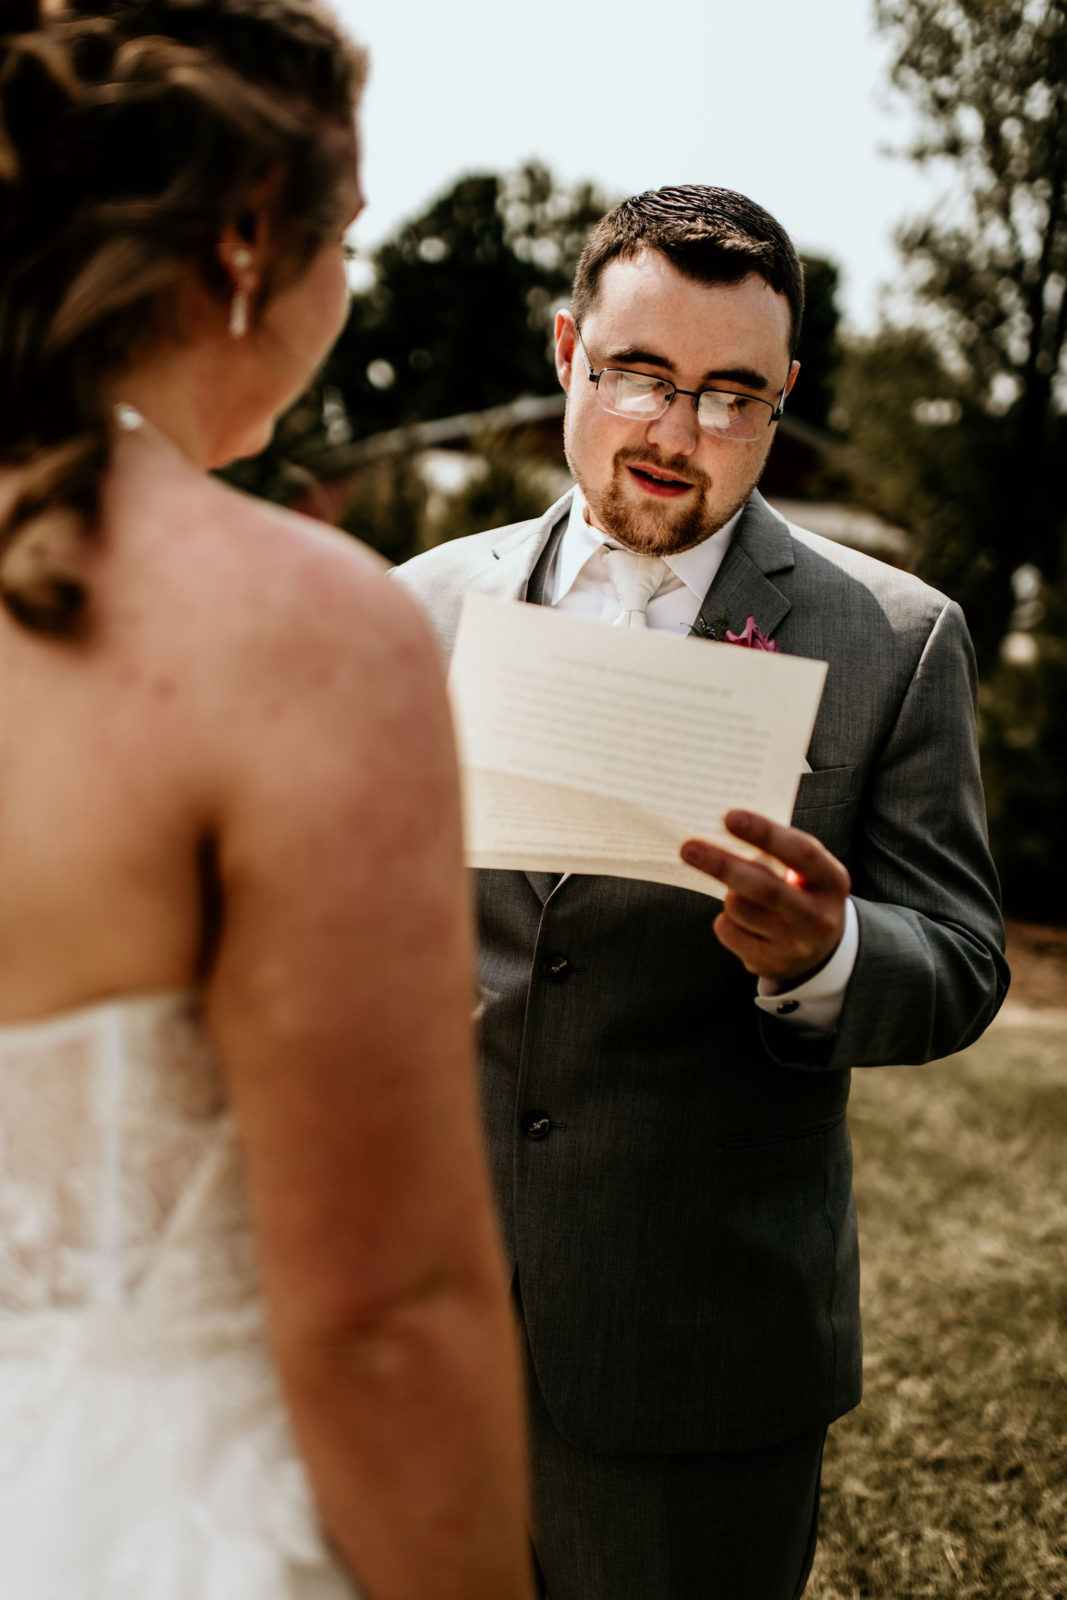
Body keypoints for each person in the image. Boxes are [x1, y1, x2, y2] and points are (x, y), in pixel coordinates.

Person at [395, 184, 1010, 1600]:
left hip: (694, 1364)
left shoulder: (897, 642)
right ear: (568, 353)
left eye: (733, 394)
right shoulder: (415, 607)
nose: (677, 432)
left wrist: (830, 950)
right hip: (418, 1341)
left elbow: (968, 957)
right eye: (641, 377)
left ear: (785, 399)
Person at [0, 3, 534, 1597]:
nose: (348, 280)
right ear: (247, 238)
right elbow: (385, 1320)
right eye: (349, 233)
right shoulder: (301, 632)